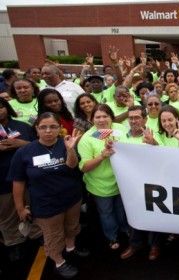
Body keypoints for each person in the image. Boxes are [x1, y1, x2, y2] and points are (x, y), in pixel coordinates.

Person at [9, 112, 86, 278]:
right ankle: (59, 261)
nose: (48, 131)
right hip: (46, 204)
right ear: (36, 129)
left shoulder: (65, 144)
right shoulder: (24, 152)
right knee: (53, 235)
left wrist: (70, 149)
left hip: (72, 198)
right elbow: (18, 182)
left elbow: (72, 165)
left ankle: (71, 248)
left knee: (72, 226)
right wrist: (20, 208)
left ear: (59, 129)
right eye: (43, 127)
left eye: (53, 127)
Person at [77, 104, 129, 250]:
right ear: (91, 119)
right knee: (107, 213)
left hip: (122, 182)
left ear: (111, 117)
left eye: (105, 116)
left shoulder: (121, 129)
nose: (101, 120)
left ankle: (126, 230)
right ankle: (112, 237)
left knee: (121, 209)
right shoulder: (86, 138)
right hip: (101, 186)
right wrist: (102, 156)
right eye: (97, 117)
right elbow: (84, 167)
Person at [0, 98, 41, 262]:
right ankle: (14, 242)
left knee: (33, 207)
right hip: (2, 181)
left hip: (28, 177)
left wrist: (20, 143)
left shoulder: (21, 126)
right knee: (7, 213)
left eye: (1, 106)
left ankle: (37, 234)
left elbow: (37, 145)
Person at [118, 106, 162, 261]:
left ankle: (154, 245)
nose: (133, 121)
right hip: (131, 186)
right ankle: (135, 244)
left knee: (153, 217)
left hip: (152, 185)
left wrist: (154, 143)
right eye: (130, 118)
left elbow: (164, 156)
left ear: (145, 119)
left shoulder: (154, 134)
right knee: (134, 214)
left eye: (137, 117)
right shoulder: (121, 137)